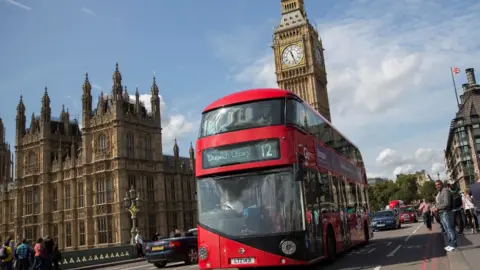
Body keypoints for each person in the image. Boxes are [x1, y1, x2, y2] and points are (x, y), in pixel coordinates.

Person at [434, 180, 457, 252]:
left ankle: (453, 245)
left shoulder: (445, 191)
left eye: (438, 184)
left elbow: (447, 203)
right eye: (436, 185)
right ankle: (450, 244)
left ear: (442, 184)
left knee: (450, 229)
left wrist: (437, 207)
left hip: (446, 212)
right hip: (442, 213)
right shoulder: (440, 192)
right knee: (447, 230)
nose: (437, 186)